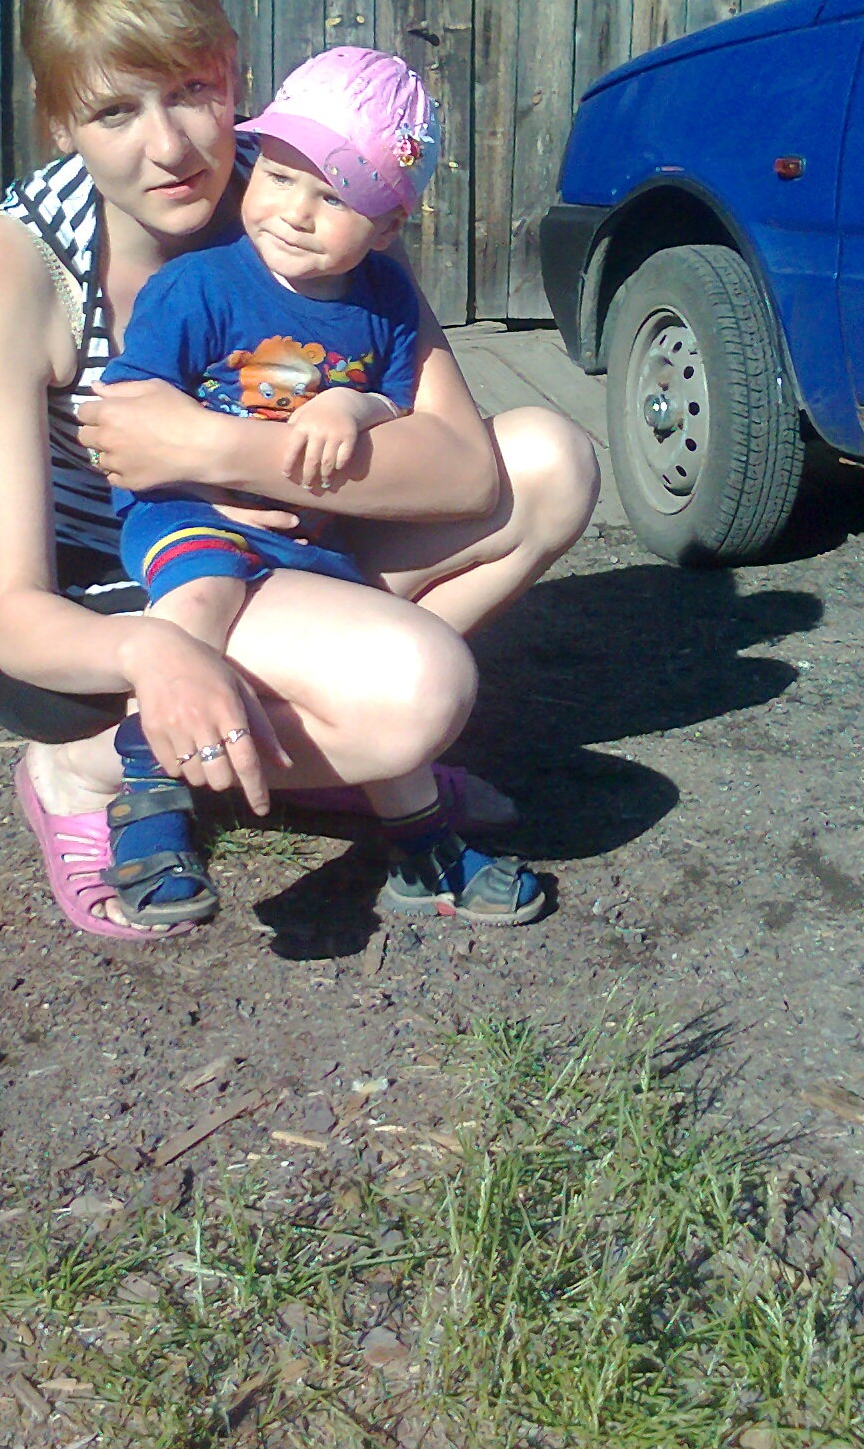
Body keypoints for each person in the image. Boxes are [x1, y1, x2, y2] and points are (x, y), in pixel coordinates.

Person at [0, 0, 599, 943]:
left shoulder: (303, 189)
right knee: (418, 694)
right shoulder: (18, 271)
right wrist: (151, 654)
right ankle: (88, 768)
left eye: (193, 91)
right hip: (123, 591)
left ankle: (313, 743)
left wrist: (217, 448)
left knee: (552, 463)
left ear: (235, 71)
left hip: (295, 541)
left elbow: (468, 469)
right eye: (114, 110)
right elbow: (15, 616)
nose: (170, 146)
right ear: (58, 119)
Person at [100, 45, 543, 928]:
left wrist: (354, 403)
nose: (295, 213)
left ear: (386, 226)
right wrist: (208, 474)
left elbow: (406, 406)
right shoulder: (198, 285)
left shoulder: (382, 301)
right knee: (200, 604)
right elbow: (132, 413)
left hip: (309, 537)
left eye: (335, 198)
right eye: (278, 176)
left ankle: (419, 845)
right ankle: (147, 796)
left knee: (382, 668)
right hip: (191, 514)